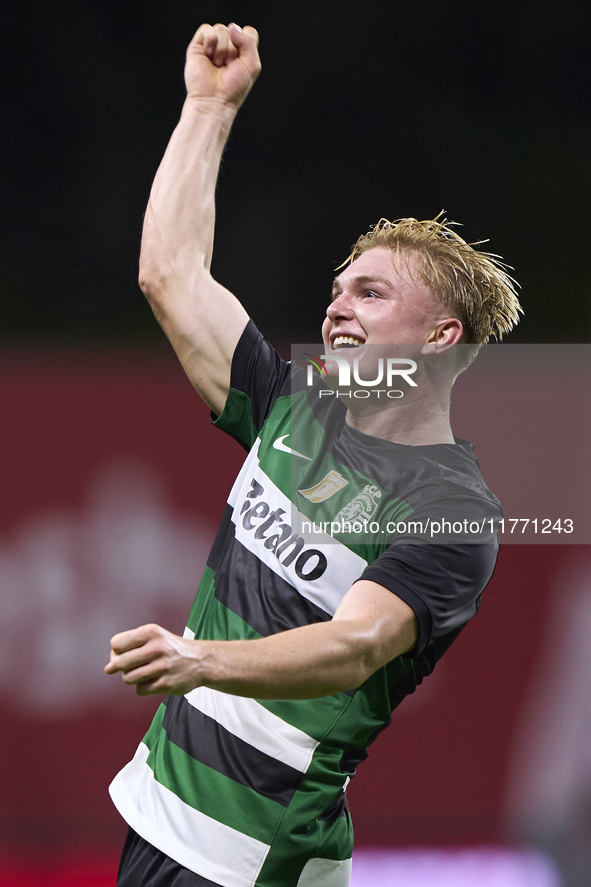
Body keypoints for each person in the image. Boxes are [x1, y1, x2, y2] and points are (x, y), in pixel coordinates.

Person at [104, 22, 522, 887]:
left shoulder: (454, 507)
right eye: (336, 290)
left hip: (251, 853)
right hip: (161, 811)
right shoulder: (295, 404)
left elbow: (355, 643)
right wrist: (208, 106)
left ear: (439, 337)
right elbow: (170, 276)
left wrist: (199, 660)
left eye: (370, 292)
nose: (337, 308)